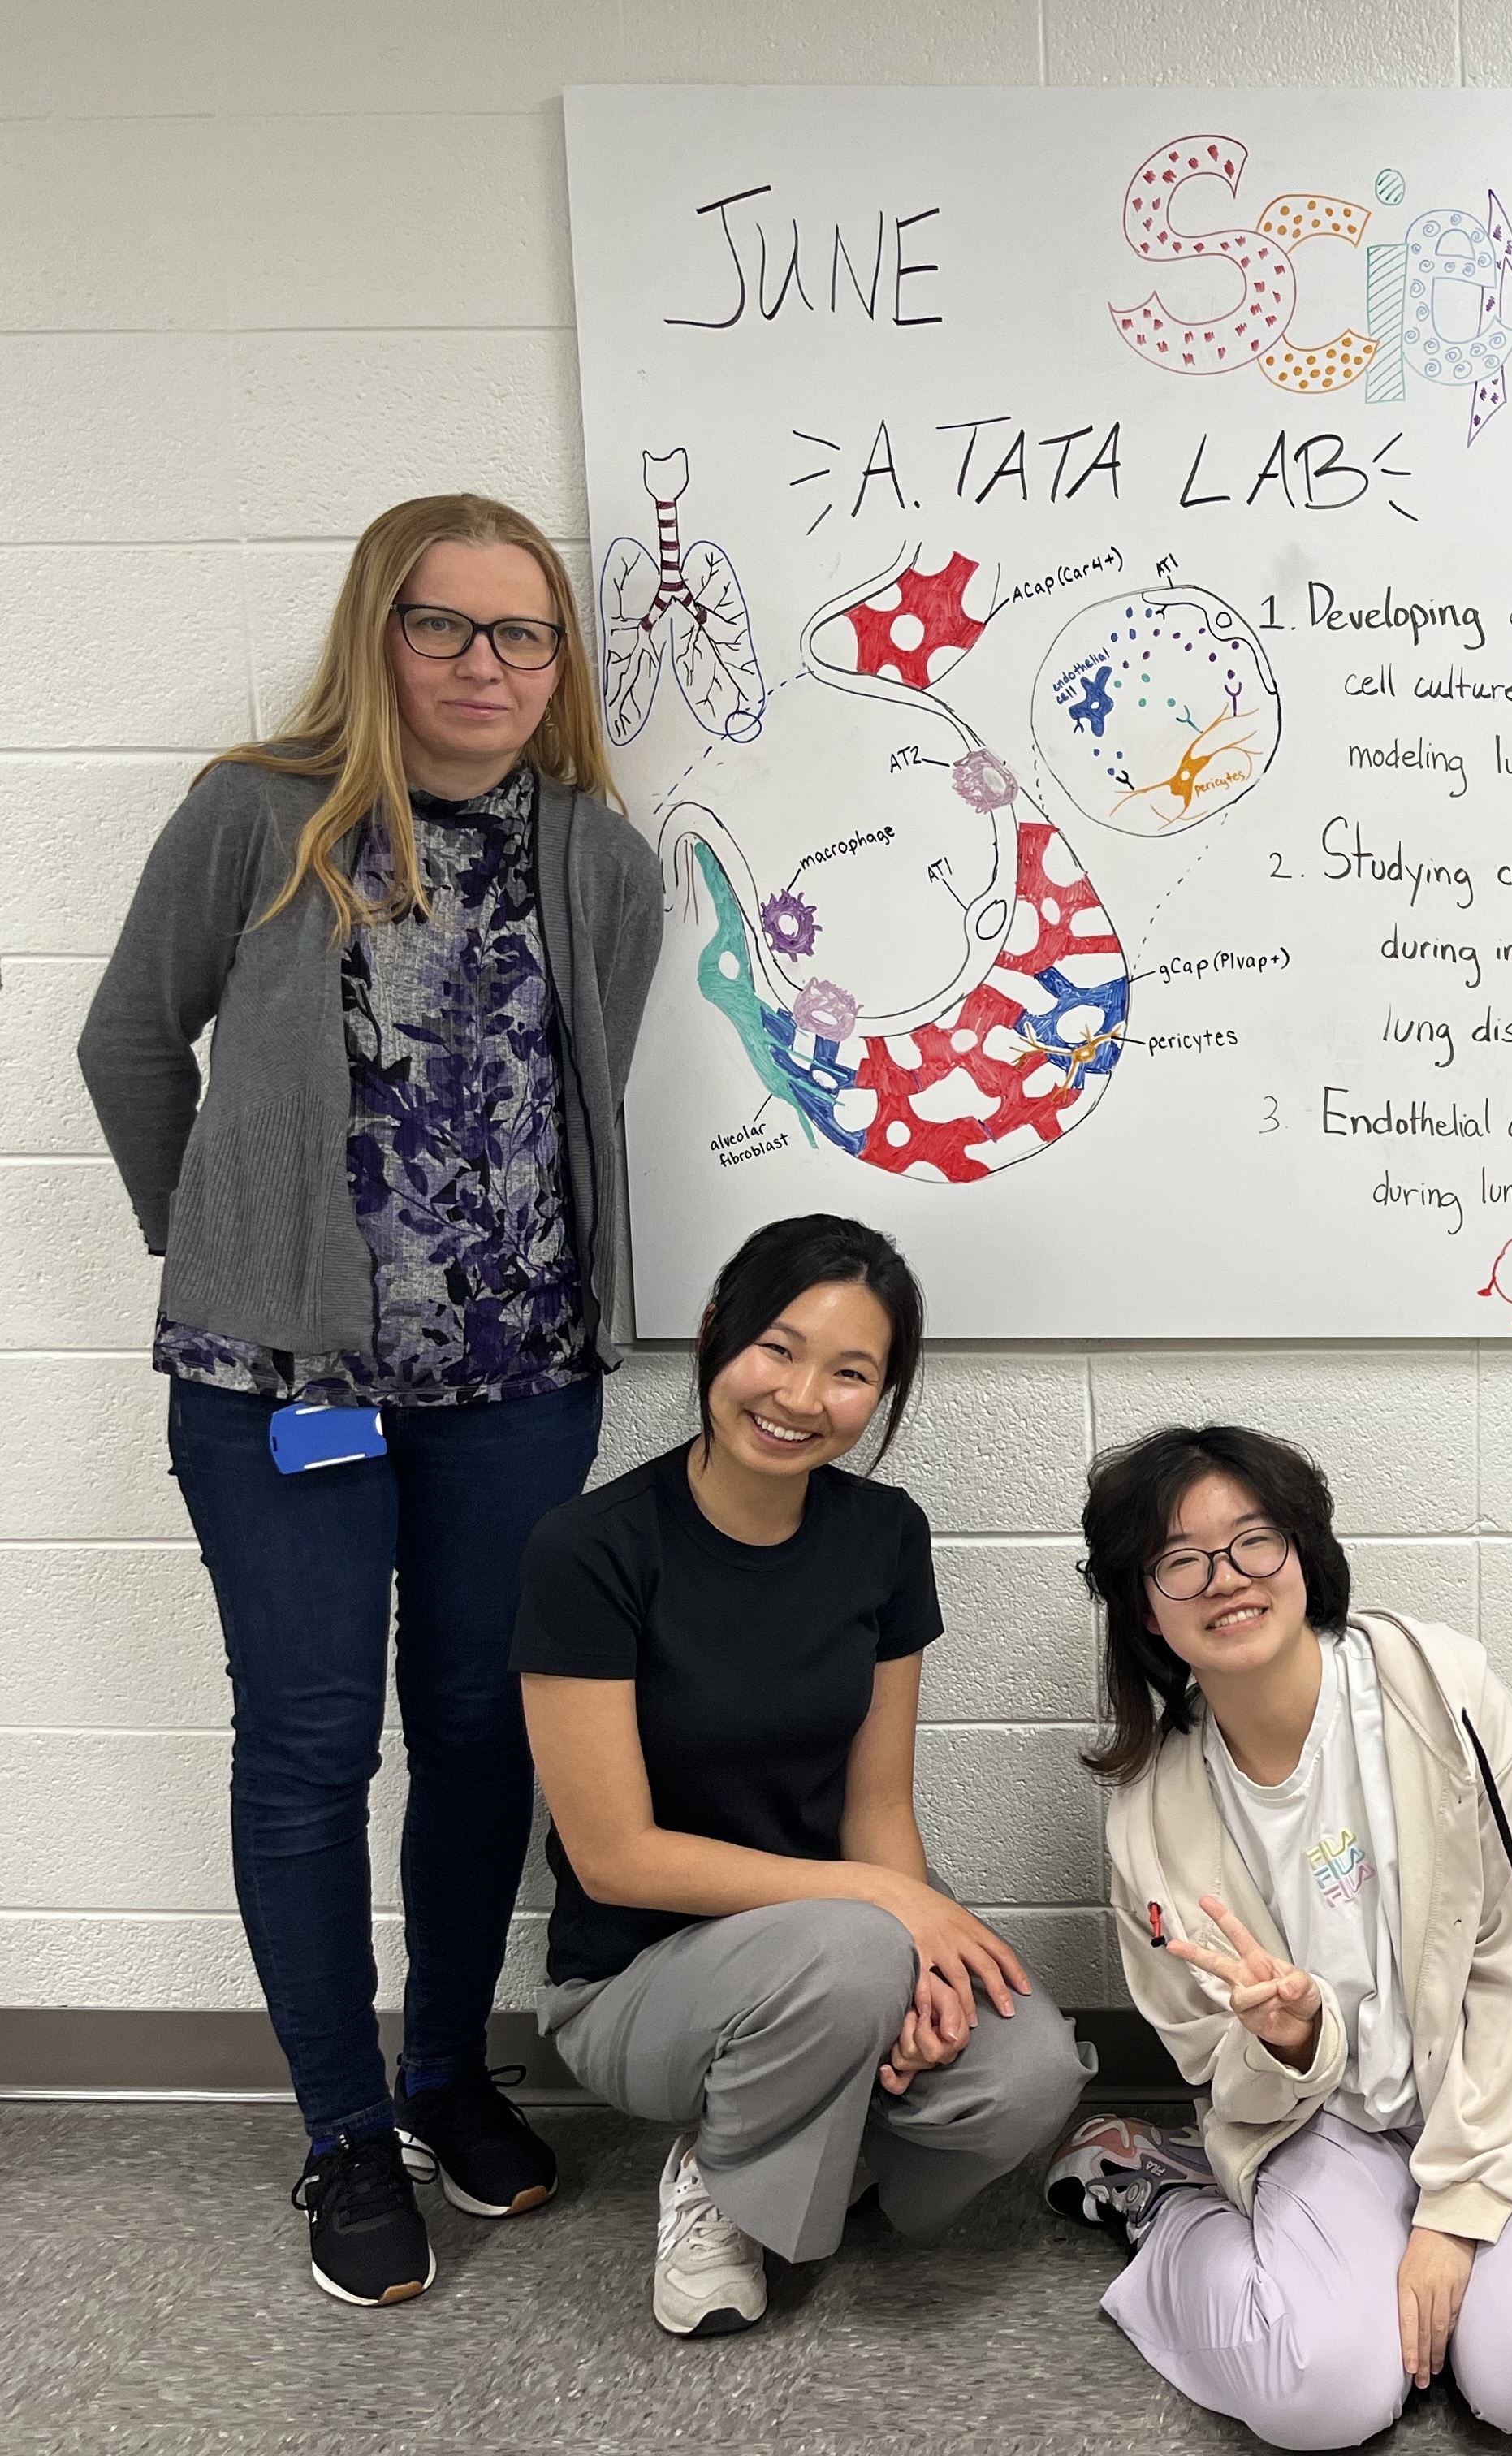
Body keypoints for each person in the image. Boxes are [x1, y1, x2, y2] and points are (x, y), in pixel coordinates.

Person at [76, 495, 659, 2307]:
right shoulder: (254, 815)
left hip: (518, 1385)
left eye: (524, 636)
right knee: (313, 1750)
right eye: (444, 627)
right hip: (278, 1395)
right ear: (374, 635)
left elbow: (575, 1102)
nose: (486, 667)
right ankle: (340, 2132)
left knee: (486, 1734)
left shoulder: (598, 854)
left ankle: (441, 2076)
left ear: (560, 664)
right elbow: (124, 1043)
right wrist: (235, 1253)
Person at [1048, 1425, 1512, 2446]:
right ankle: (1163, 2205)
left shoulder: (1448, 1701)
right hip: (1323, 2126)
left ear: (1306, 1554)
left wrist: (1454, 2217)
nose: (1226, 1580)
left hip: (1508, 2080)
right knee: (1323, 2400)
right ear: (1144, 1607)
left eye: (1254, 1541)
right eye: (1180, 1561)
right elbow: (1214, 2068)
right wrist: (1291, 2044)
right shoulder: (1151, 1813)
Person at [516, 1215, 1084, 2337]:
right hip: (635, 1988)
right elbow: (614, 1858)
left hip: (839, 1956)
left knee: (1035, 2074)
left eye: (850, 1372)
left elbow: (877, 1806)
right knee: (862, 1946)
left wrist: (917, 1952)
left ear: (881, 1395)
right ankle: (721, 2182)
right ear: (717, 1332)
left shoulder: (882, 1535)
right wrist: (889, 1913)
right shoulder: (589, 1550)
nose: (800, 1395)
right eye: (778, 1348)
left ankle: (816, 2147)